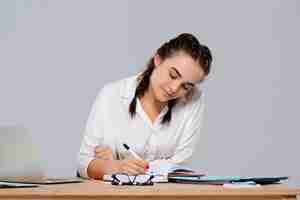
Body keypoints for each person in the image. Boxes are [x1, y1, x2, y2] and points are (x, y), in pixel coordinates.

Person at [77, 33, 212, 179]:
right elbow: (84, 163)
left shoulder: (193, 100)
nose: (174, 88)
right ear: (158, 59)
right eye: (173, 75)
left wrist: (116, 163)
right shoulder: (112, 94)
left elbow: (178, 165)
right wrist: (117, 166)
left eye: (185, 86)